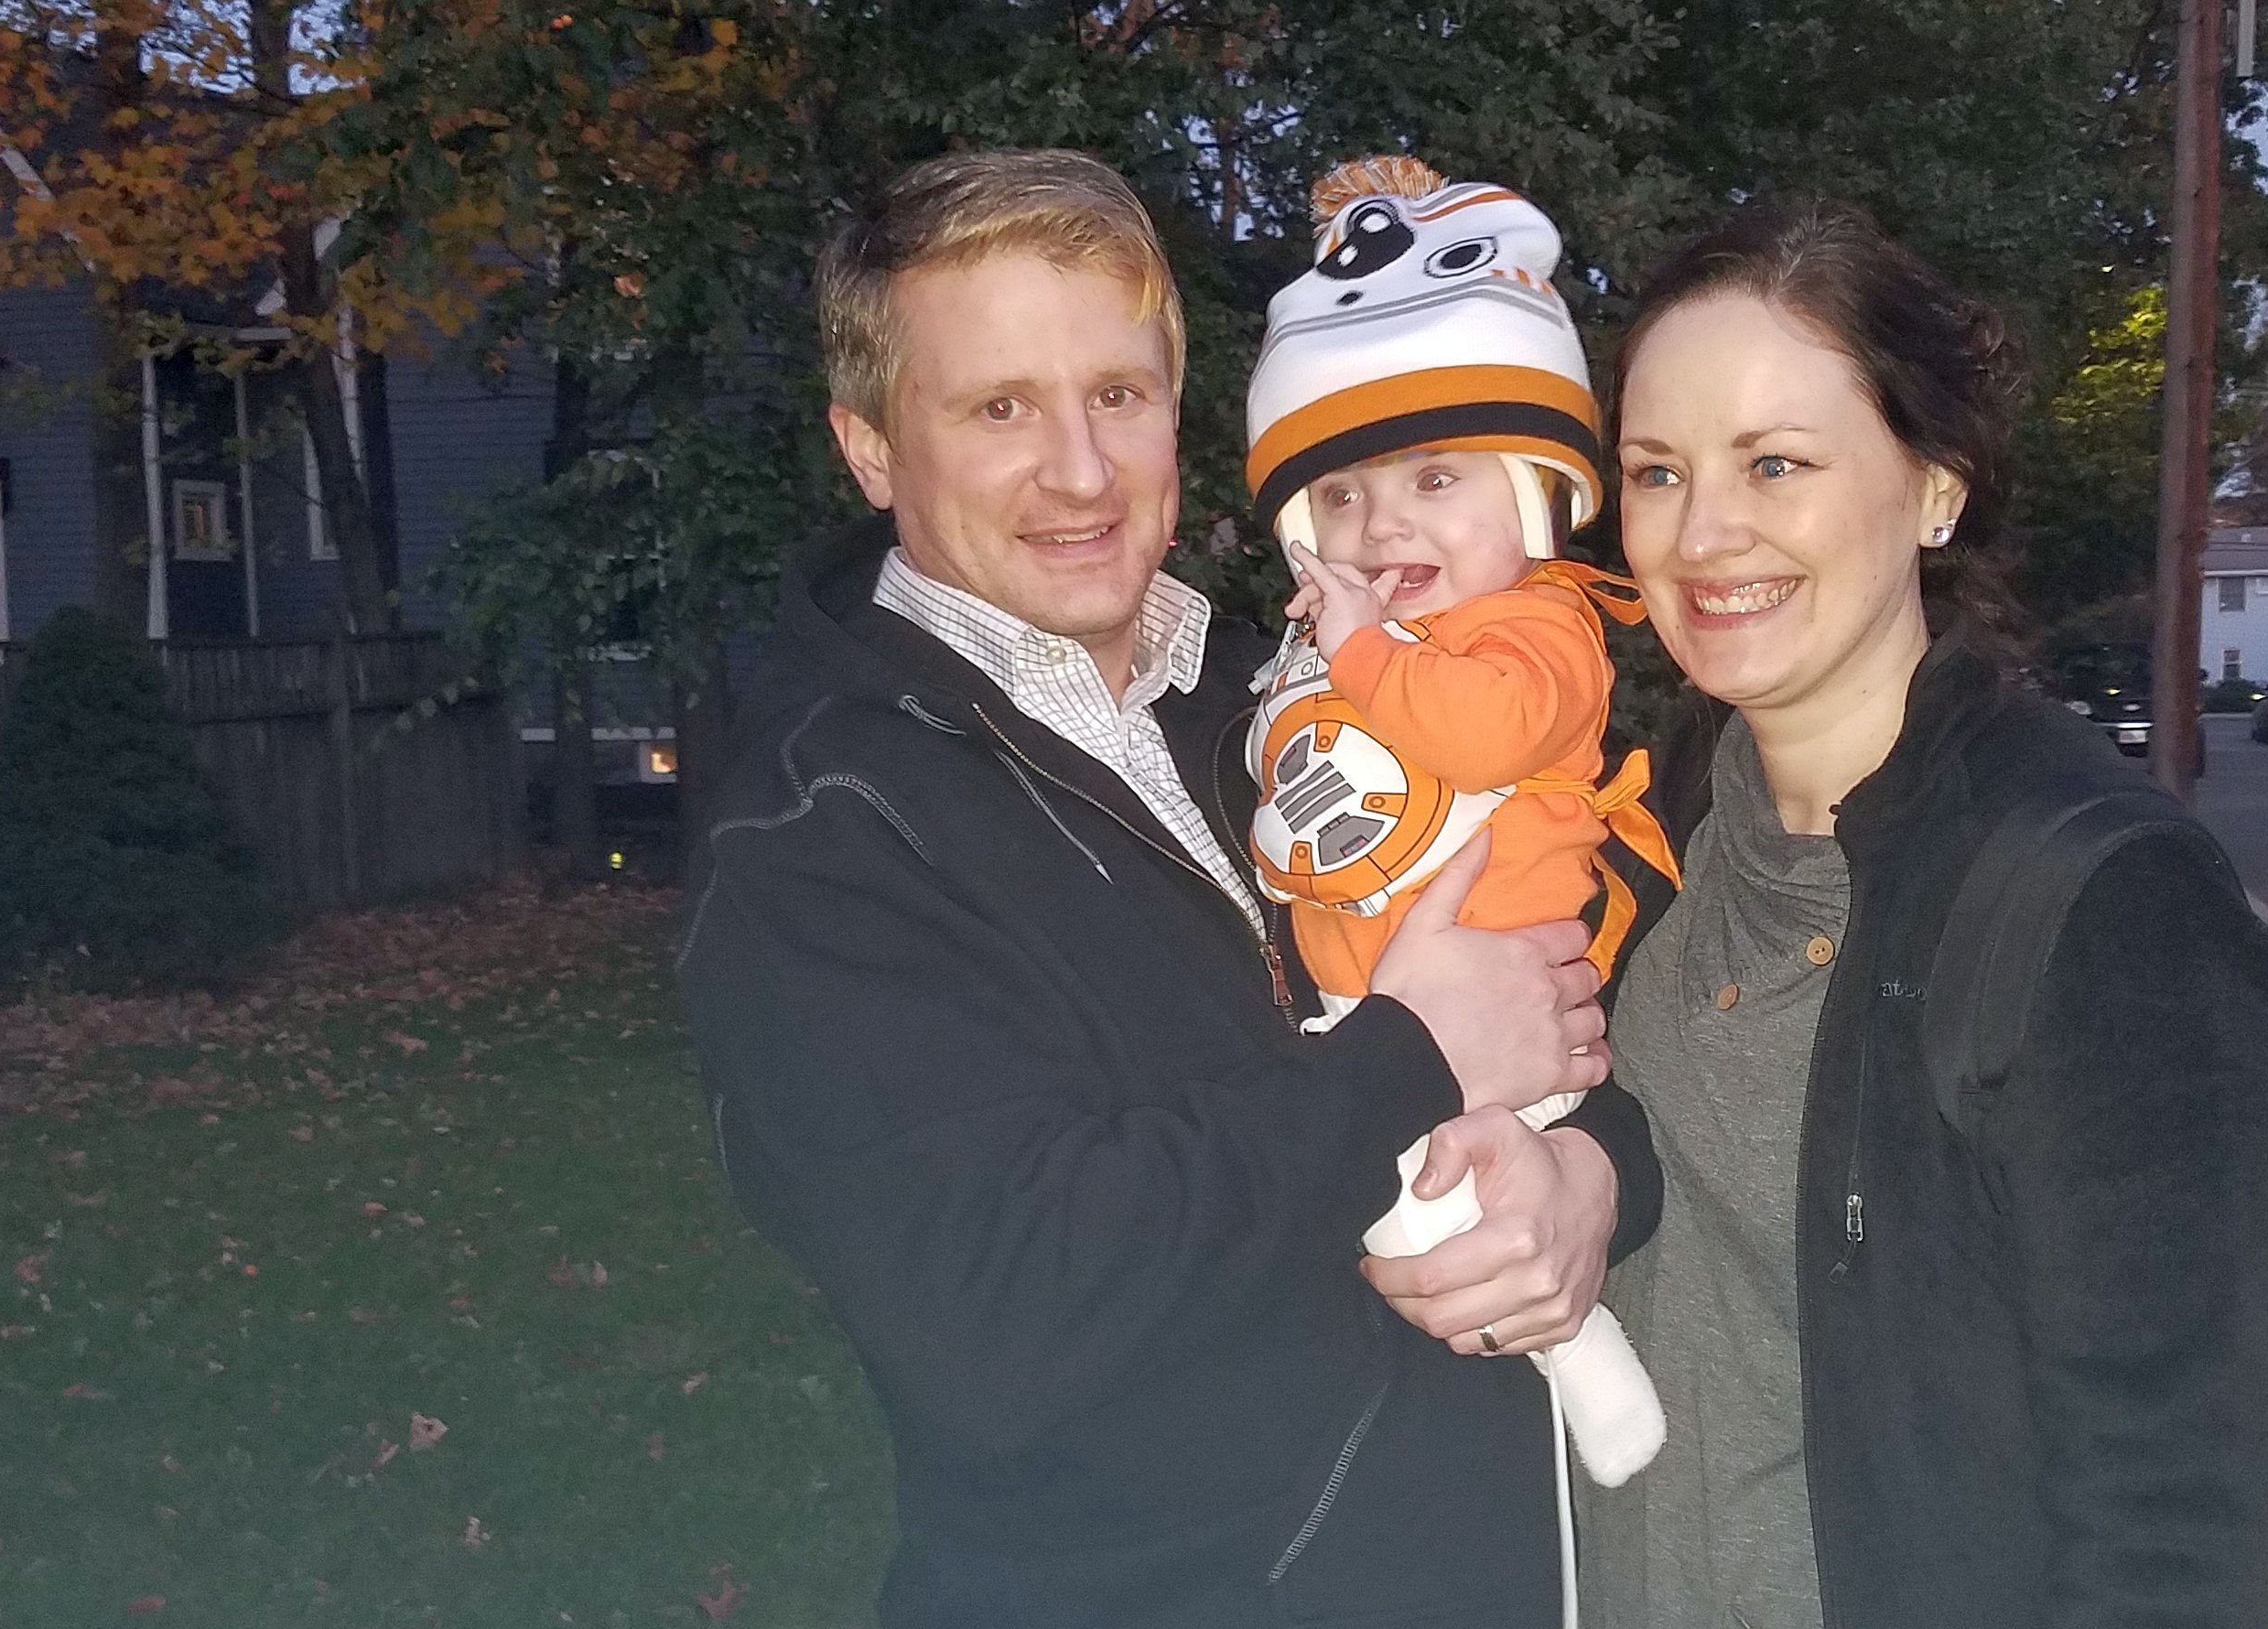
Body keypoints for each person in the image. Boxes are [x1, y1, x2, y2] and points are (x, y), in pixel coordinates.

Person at [678, 149, 1658, 1629]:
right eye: (999, 408)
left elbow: (1574, 1009)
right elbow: (996, 1311)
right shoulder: (823, 829)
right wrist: (1405, 1058)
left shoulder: (1275, 696)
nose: (1081, 470)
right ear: (870, 447)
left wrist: (1593, 1179)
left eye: (1117, 395)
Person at [1554, 200, 2268, 1628]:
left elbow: (2179, 1512)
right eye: (1656, 471)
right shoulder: (1650, 827)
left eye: (1774, 463)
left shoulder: (2097, 896)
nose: (1701, 532)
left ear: (1935, 488)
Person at [1242, 154, 1674, 1489]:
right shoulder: (1332, 648)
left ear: (1532, 491)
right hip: (1364, 1017)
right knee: (1399, 1219)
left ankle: (1586, 1357)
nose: (1382, 526)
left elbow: (1478, 732)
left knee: (1450, 1214)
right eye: (1344, 497)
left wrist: (1360, 651)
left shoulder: (1541, 626)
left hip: (1502, 1019)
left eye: (1435, 481)